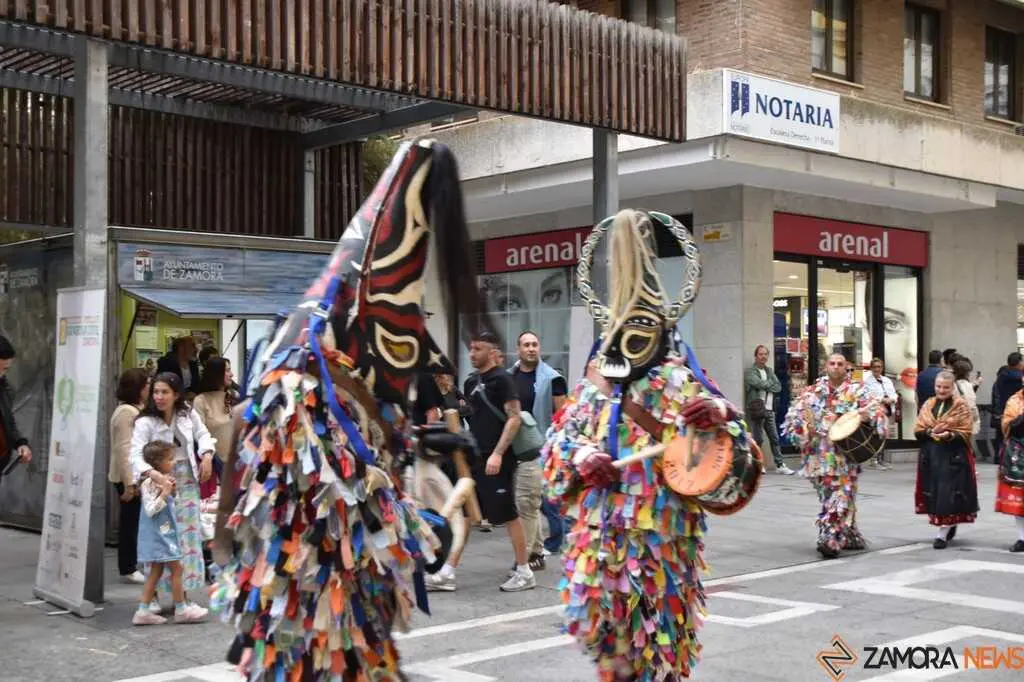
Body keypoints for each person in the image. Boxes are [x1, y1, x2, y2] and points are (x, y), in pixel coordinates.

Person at [544, 209, 757, 681]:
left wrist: (720, 416)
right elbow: (559, 441)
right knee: (613, 656)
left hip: (666, 548)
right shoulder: (596, 384)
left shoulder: (684, 381)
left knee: (661, 653)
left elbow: (739, 447)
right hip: (601, 546)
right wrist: (582, 456)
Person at [782, 353, 887, 559]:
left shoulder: (858, 391)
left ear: (846, 367)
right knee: (828, 495)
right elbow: (793, 421)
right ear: (826, 367)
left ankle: (830, 538)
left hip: (846, 456)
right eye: (832, 363)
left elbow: (878, 413)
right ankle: (849, 532)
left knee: (841, 494)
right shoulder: (811, 393)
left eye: (840, 364)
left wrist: (866, 415)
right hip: (818, 456)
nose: (836, 367)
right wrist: (804, 428)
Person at [130, 372, 217, 612]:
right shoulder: (144, 421)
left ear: (176, 394)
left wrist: (207, 455)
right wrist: (155, 476)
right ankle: (154, 595)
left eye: (165, 392)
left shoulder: (186, 413)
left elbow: (203, 434)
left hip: (186, 480)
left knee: (187, 538)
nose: (159, 397)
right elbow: (135, 456)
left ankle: (184, 597)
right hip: (157, 483)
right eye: (156, 392)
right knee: (159, 539)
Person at [463, 331, 536, 592]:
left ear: (493, 352)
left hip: (499, 459)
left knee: (508, 513)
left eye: (478, 349)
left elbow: (514, 418)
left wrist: (497, 453)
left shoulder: (503, 380)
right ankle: (447, 570)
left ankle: (525, 571)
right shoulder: (470, 382)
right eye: (471, 348)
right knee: (464, 512)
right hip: (477, 457)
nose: (472, 354)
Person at [131, 440, 209, 625]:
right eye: (170, 459)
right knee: (177, 568)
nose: (174, 462)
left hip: (165, 533)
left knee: (156, 572)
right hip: (160, 536)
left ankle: (143, 611)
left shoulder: (164, 480)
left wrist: (172, 492)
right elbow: (151, 509)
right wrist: (165, 493)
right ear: (158, 463)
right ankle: (181, 608)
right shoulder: (148, 484)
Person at [510, 330, 568, 568]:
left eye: (535, 344)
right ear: (519, 349)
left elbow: (562, 417)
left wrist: (556, 448)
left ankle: (533, 554)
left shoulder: (552, 378)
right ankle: (535, 551)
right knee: (525, 503)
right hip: (512, 447)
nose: (531, 348)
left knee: (529, 502)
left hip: (538, 448)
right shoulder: (508, 376)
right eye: (526, 345)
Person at [914, 371, 980, 549]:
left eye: (945, 387)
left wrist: (949, 434)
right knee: (935, 493)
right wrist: (930, 432)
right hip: (931, 455)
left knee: (947, 493)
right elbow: (918, 429)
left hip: (953, 456)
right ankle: (948, 524)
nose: (941, 390)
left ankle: (941, 535)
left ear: (952, 388)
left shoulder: (961, 406)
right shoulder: (928, 404)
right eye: (938, 386)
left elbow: (966, 431)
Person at [108, 368, 151, 584]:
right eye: (146, 385)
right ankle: (127, 566)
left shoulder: (137, 409)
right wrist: (130, 483)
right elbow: (123, 449)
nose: (149, 389)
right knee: (130, 522)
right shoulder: (126, 412)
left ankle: (135, 562)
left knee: (137, 521)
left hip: (139, 475)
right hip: (129, 477)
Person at [745, 344, 793, 475]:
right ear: (756, 356)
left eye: (765, 354)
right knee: (758, 439)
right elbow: (757, 383)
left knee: (775, 438)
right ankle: (758, 464)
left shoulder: (769, 371)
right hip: (757, 409)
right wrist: (768, 385)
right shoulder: (751, 371)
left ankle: (780, 464)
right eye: (761, 354)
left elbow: (778, 386)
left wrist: (766, 386)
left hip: (770, 409)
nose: (763, 357)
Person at [997, 383, 1024, 552]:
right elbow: (1008, 426)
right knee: (1019, 499)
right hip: (1018, 455)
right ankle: (1022, 538)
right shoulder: (1014, 400)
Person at [0, 335, 32, 479]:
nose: (0, 375)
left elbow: (7, 421)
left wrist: (20, 444)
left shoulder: (4, 389)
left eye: (5, 370)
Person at [863, 357, 898, 470]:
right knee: (876, 434)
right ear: (871, 368)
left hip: (888, 410)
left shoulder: (886, 380)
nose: (877, 369)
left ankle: (881, 458)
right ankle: (874, 459)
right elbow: (867, 396)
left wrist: (892, 399)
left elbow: (894, 394)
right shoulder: (867, 381)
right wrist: (882, 399)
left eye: (879, 367)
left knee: (884, 435)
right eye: (875, 367)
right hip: (876, 412)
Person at [991, 352, 1023, 463]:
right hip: (1017, 410)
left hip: (1003, 410)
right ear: (1019, 362)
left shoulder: (1001, 375)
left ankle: (999, 457)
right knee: (1016, 437)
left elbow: (997, 393)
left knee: (1000, 436)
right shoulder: (1020, 378)